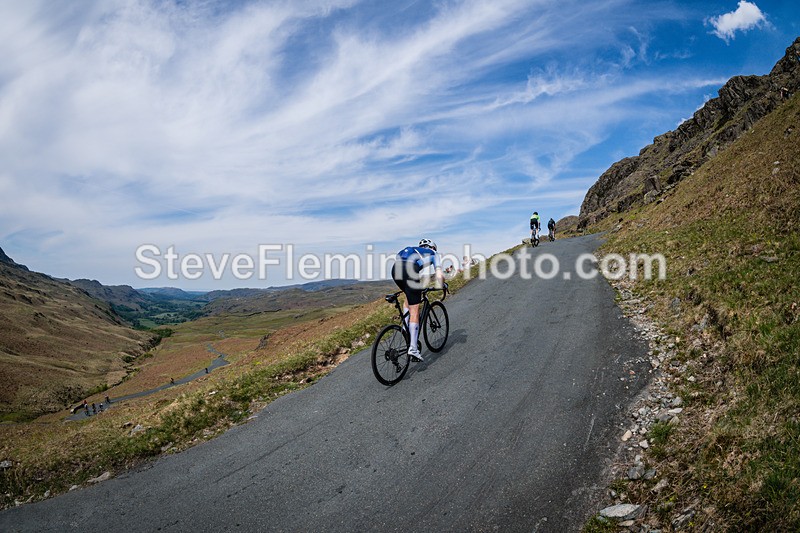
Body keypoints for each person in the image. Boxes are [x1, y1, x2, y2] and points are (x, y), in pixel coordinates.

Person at [392, 238, 445, 363]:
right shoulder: (434, 253)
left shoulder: (413, 250)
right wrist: (443, 285)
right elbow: (439, 274)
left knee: (409, 296)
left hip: (395, 269)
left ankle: (406, 328)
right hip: (409, 269)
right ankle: (413, 348)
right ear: (433, 247)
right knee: (415, 309)